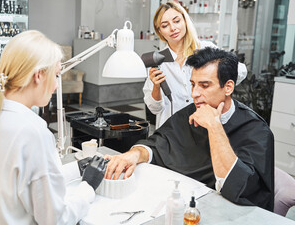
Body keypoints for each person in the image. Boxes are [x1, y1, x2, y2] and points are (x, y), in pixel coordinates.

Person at [105, 47, 274, 211]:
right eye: (193, 84)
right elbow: (159, 143)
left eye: (205, 85)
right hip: (182, 202)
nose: (194, 94)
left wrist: (214, 126)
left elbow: (240, 188)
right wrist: (134, 155)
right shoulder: (191, 112)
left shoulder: (256, 131)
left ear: (228, 87)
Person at [0, 30, 106, 224]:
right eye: (57, 75)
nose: (57, 86)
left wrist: (77, 168)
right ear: (39, 75)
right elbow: (56, 219)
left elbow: (25, 181)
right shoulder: (33, 131)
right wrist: (88, 186)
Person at [144, 0, 248, 128]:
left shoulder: (205, 49)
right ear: (160, 32)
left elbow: (241, 71)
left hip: (205, 126)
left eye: (177, 21)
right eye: (165, 25)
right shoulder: (157, 62)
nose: (173, 28)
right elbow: (154, 109)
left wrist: (216, 87)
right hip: (172, 131)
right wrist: (156, 86)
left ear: (185, 21)